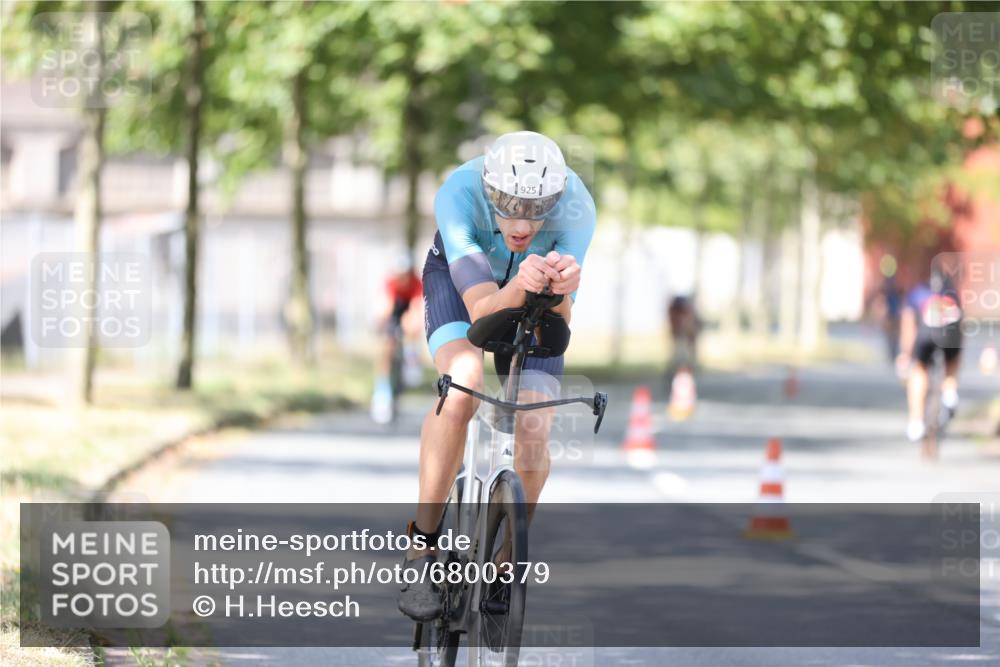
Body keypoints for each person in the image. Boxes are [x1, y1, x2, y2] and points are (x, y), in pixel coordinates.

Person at [397, 131, 596, 621]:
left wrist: (563, 292)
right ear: (488, 190)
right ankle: (421, 547)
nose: (522, 223)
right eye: (507, 206)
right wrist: (522, 284)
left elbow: (562, 322)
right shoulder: (458, 193)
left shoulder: (579, 207)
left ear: (558, 196)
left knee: (533, 423)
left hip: (534, 291)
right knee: (462, 385)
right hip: (461, 282)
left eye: (537, 207)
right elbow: (483, 310)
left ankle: (508, 562)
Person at [896, 267, 964, 444]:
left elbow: (908, 326)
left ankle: (916, 422)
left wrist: (905, 354)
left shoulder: (916, 293)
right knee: (952, 360)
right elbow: (960, 324)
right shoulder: (953, 293)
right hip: (950, 335)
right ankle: (950, 392)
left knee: (919, 369)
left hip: (926, 335)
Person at [370, 254, 423, 424]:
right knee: (387, 347)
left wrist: (412, 327)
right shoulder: (390, 283)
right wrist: (382, 324)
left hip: (408, 310)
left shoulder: (416, 283)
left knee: (411, 325)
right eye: (400, 275)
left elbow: (418, 308)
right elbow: (384, 307)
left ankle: (411, 357)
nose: (403, 278)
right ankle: (382, 393)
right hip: (394, 310)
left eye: (405, 274)